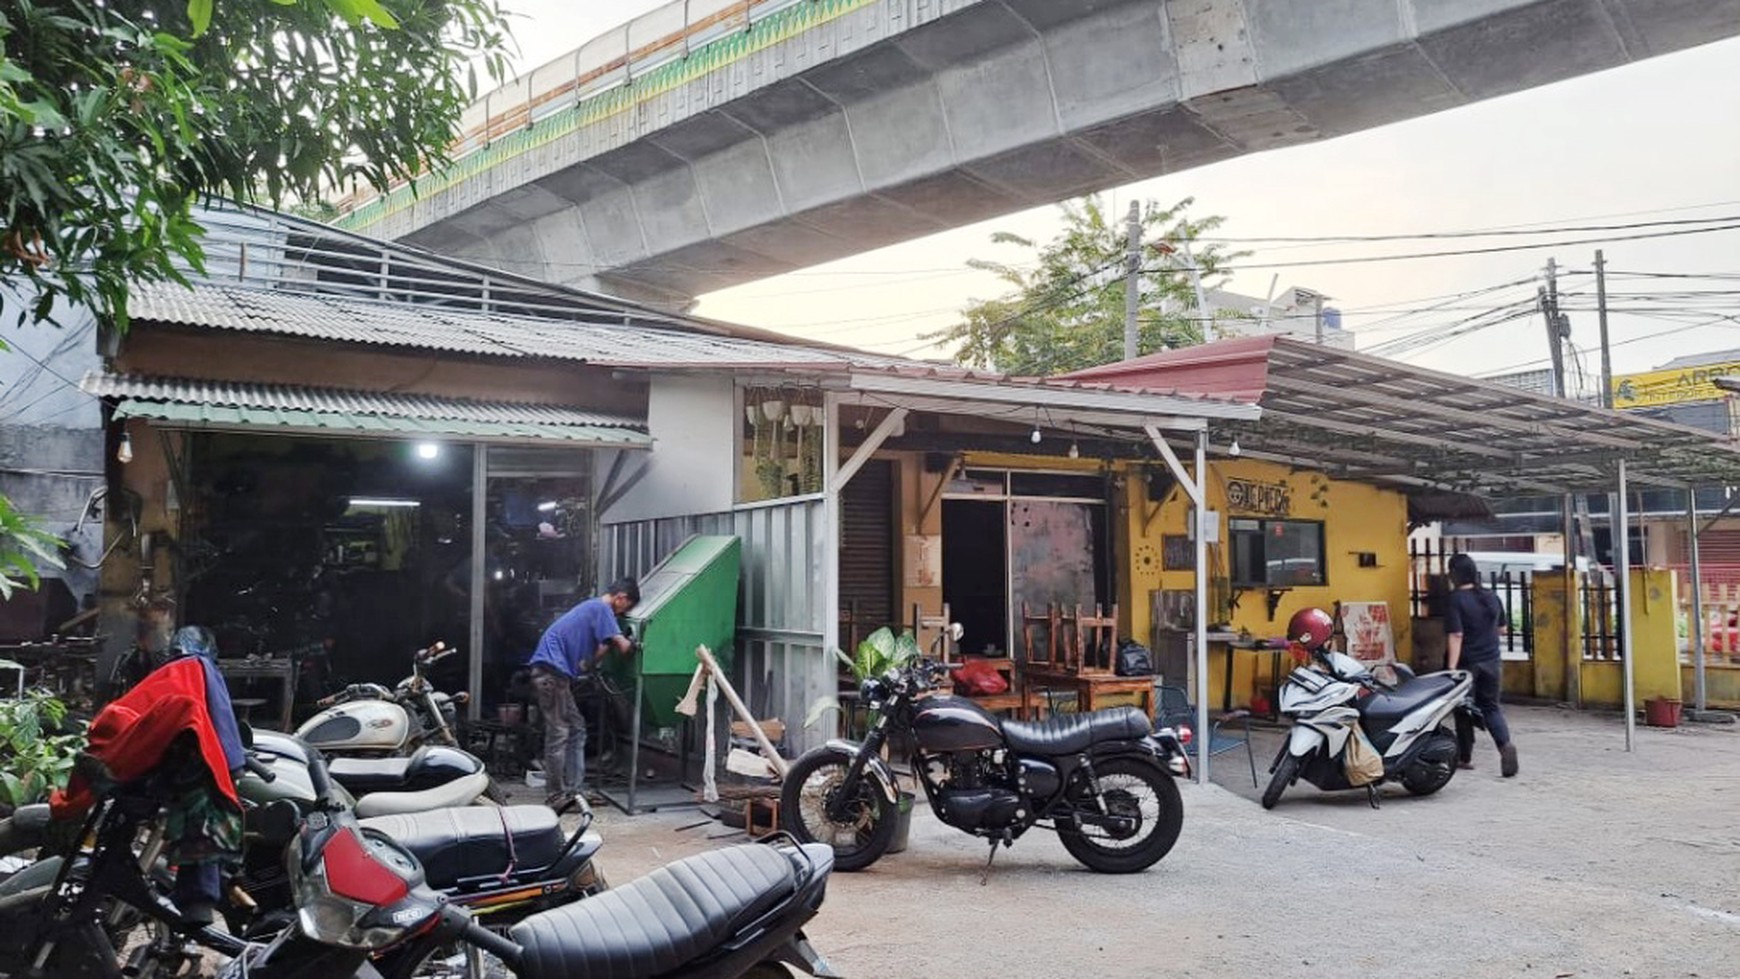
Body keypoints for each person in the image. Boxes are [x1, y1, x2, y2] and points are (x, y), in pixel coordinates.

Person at [527, 578, 639, 811]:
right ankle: (556, 796)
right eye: (626, 607)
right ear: (621, 597)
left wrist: (592, 661)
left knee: (577, 728)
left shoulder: (592, 608)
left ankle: (574, 790)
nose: (622, 612)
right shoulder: (602, 608)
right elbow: (624, 646)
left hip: (553, 674)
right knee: (559, 733)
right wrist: (634, 643)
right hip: (551, 673)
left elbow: (594, 656)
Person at [1445, 554, 1519, 778]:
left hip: (1468, 664)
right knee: (1491, 707)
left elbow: (1456, 635)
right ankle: (1505, 745)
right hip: (1492, 662)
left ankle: (1465, 757)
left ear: (1454, 574)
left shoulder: (1456, 599)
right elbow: (1502, 629)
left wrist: (1451, 668)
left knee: (1463, 709)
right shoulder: (1491, 596)